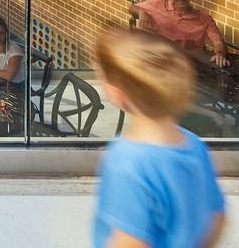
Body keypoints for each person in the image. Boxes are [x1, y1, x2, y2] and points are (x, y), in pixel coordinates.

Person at [93, 26, 225, 248]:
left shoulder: (126, 161)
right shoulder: (193, 145)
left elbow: (129, 242)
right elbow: (217, 218)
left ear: (116, 93)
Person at [131, 0, 228, 68]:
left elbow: (218, 41)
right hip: (160, 60)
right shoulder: (157, 4)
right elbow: (131, 8)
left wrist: (219, 54)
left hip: (190, 64)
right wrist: (141, 12)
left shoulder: (204, 18)